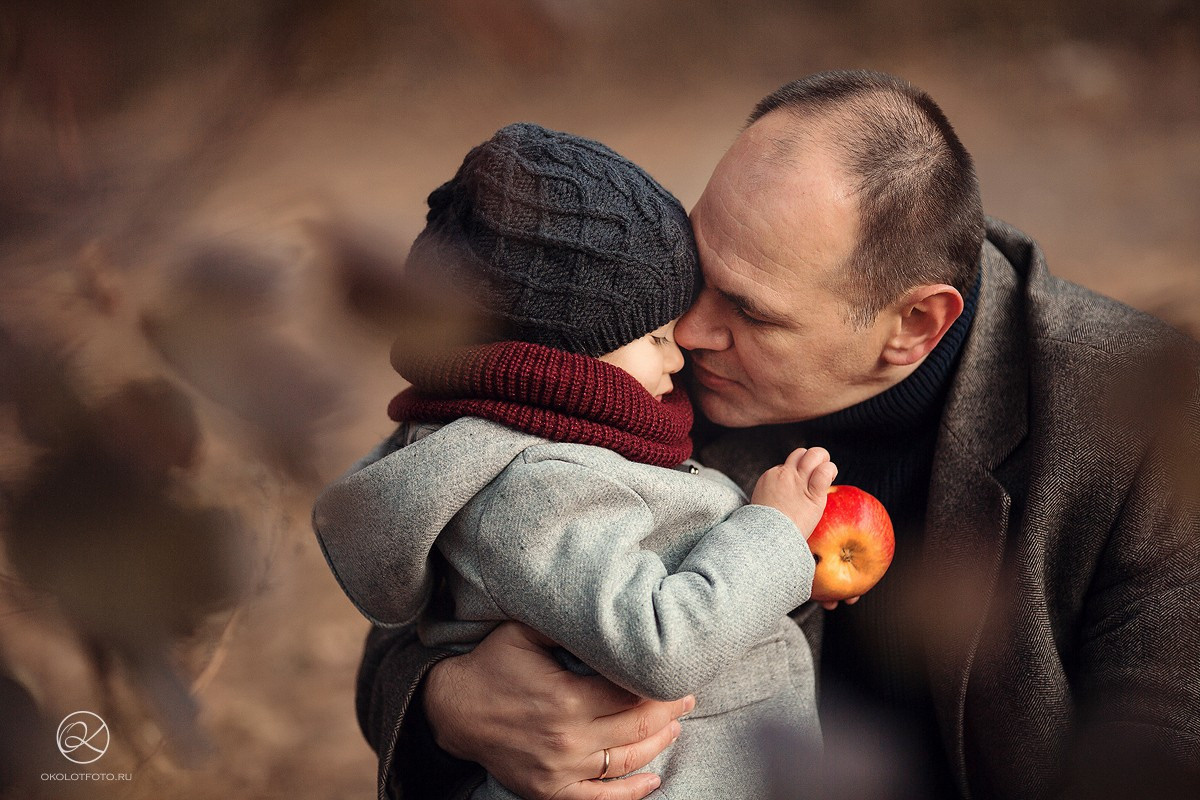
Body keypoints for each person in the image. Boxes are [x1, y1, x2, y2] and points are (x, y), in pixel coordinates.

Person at [352, 72, 1200, 800]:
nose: (685, 334)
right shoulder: (629, 370)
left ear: (913, 324)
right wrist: (450, 707)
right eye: (698, 271)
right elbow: (419, 595)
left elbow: (1164, 748)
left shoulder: (1142, 419)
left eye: (750, 311)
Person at [314, 122, 857, 798]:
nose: (681, 353)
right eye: (656, 335)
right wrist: (771, 536)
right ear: (559, 359)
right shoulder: (533, 489)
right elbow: (663, 643)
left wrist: (793, 571)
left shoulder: (574, 446)